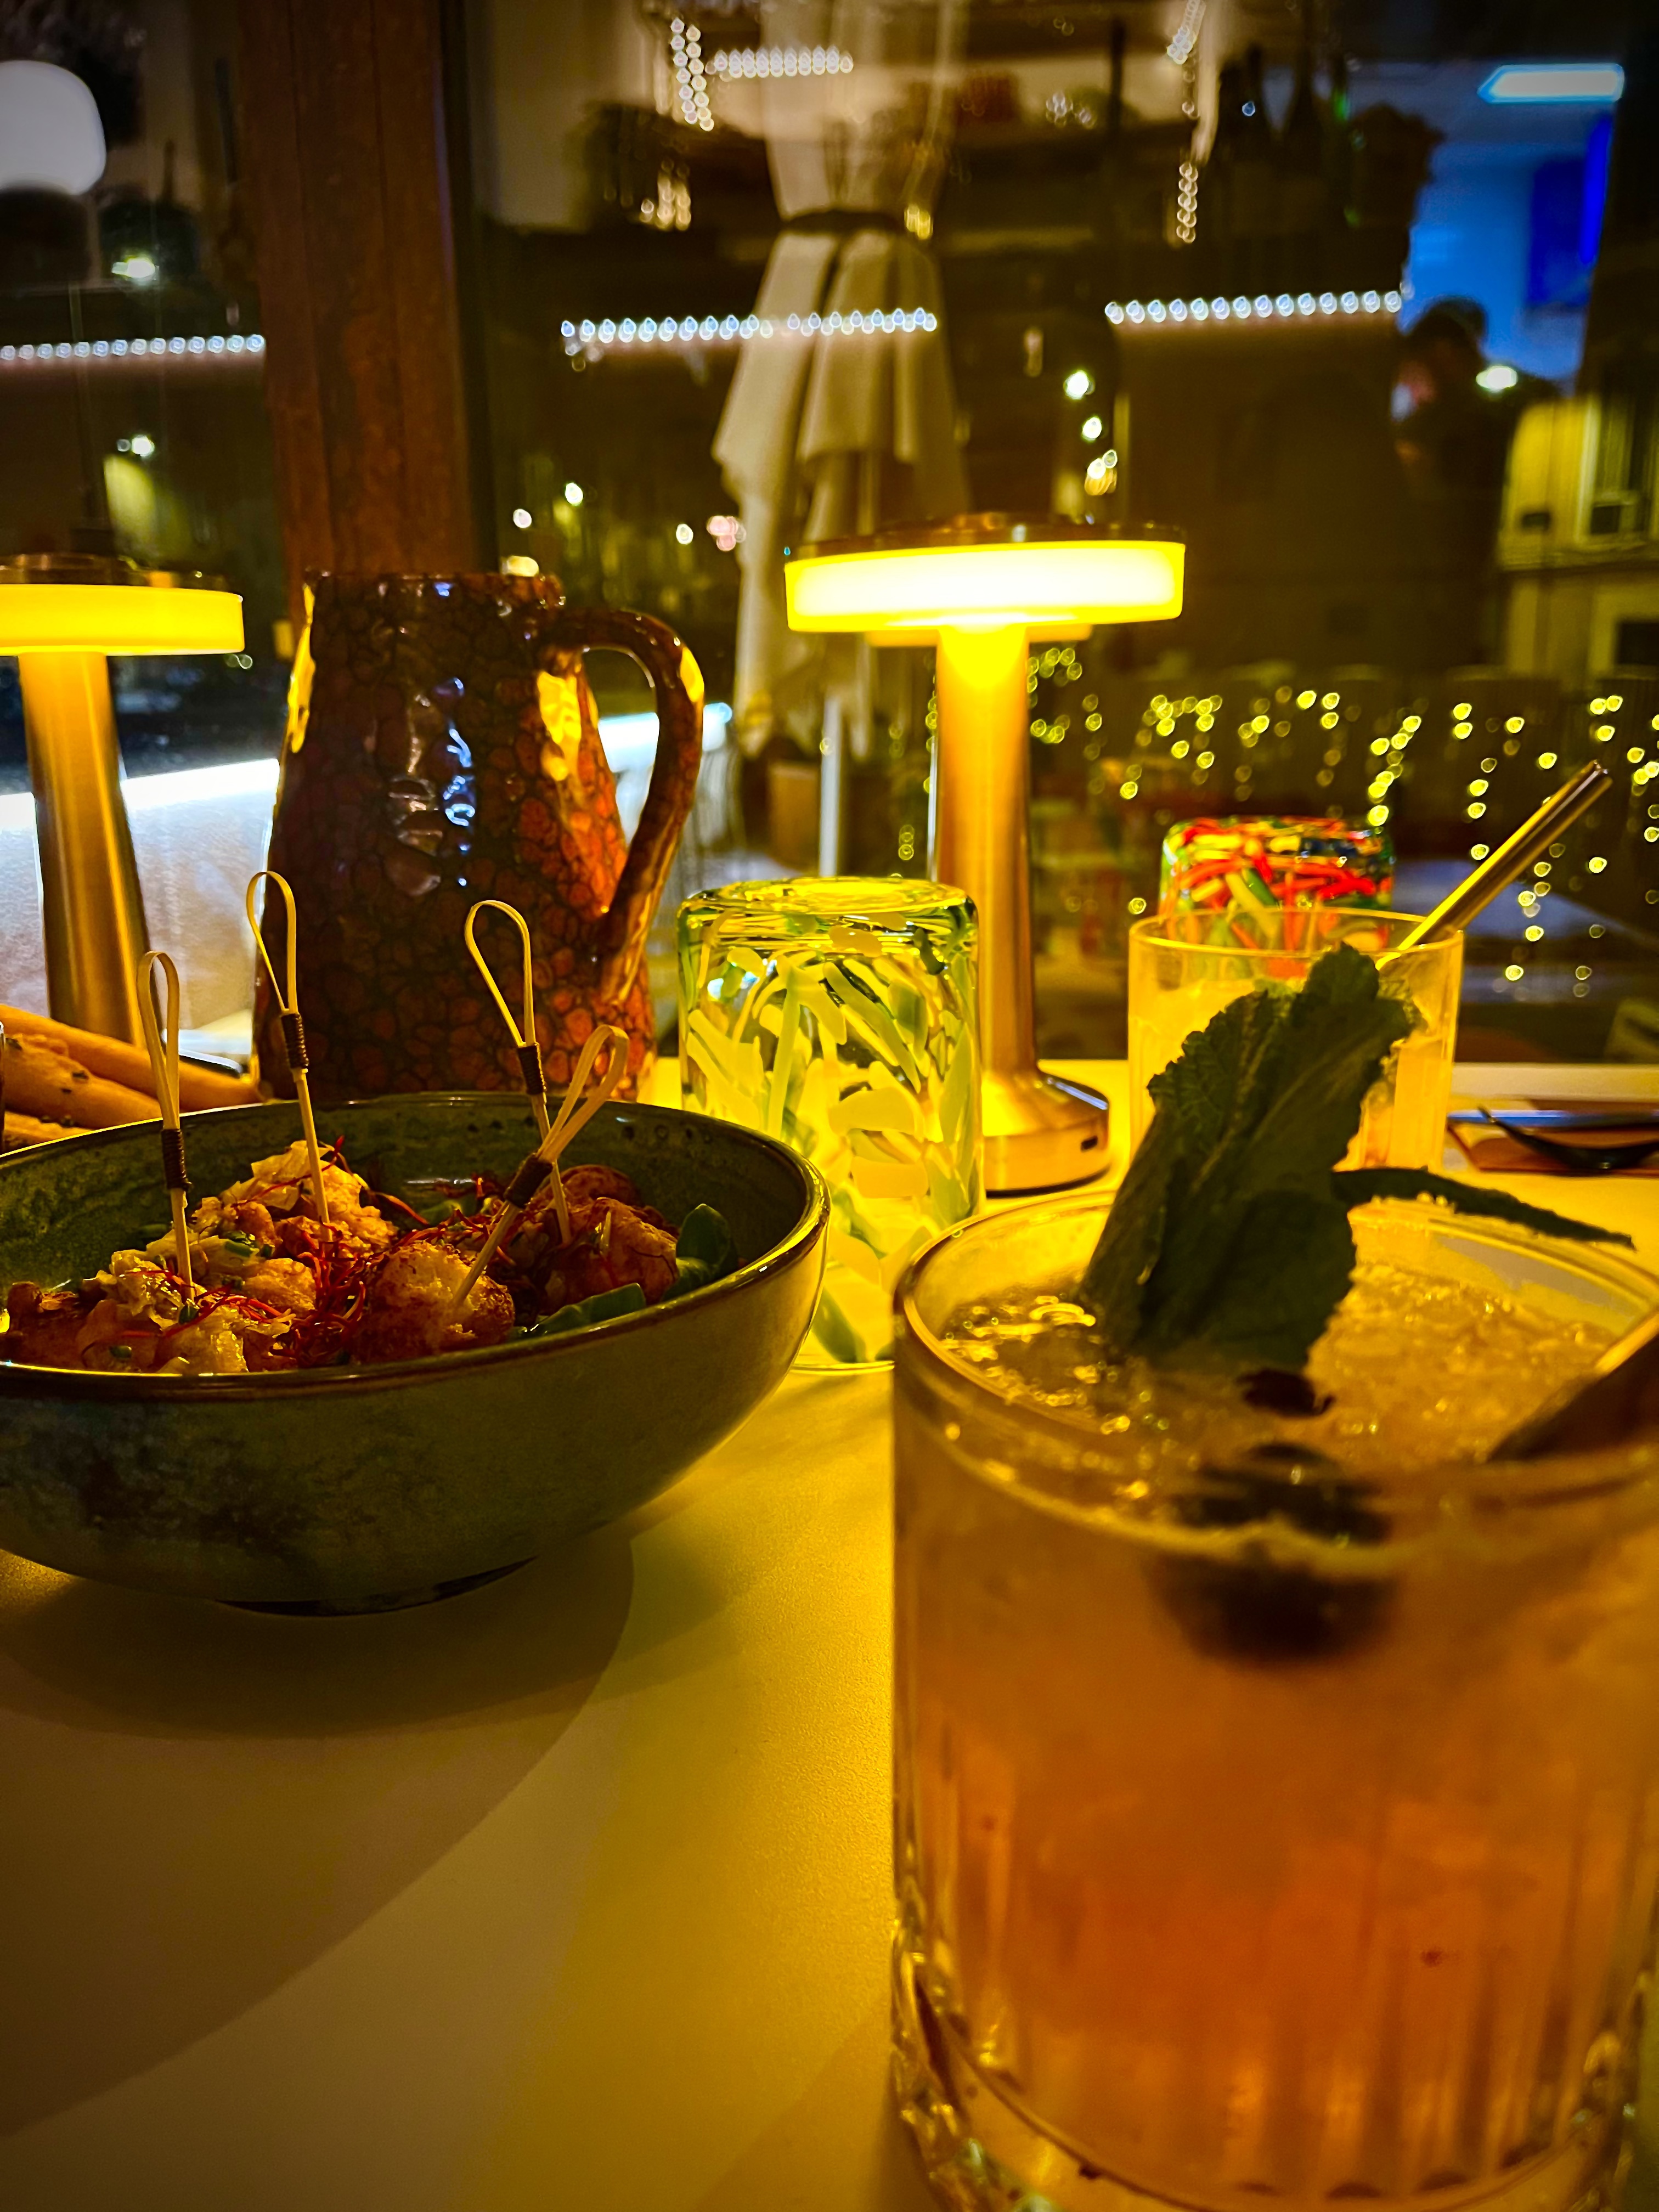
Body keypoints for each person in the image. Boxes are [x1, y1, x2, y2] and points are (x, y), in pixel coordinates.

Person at [1394, 299, 1553, 662]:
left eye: (1411, 372)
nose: (1409, 386)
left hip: (1461, 573)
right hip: (1499, 567)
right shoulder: (1527, 397)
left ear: (1441, 354)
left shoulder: (1436, 424)